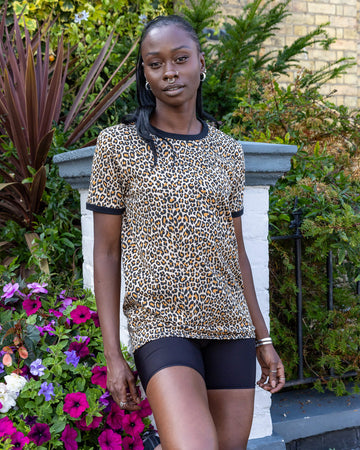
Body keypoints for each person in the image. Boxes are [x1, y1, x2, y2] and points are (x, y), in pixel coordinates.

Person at [86, 14, 285, 450]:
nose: (169, 72)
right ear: (144, 73)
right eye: (155, 64)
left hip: (228, 325)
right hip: (160, 324)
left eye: (180, 59)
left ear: (200, 63)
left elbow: (237, 253)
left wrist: (262, 337)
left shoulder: (228, 151)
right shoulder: (118, 145)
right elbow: (105, 253)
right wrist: (113, 354)